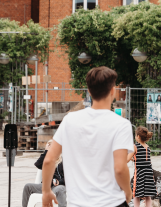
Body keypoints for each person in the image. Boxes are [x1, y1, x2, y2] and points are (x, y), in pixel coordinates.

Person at [42, 67, 134, 207]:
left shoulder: (69, 120)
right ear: (113, 91)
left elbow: (49, 160)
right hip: (111, 202)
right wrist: (127, 191)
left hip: (78, 203)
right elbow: (120, 168)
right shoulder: (121, 124)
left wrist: (46, 191)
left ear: (89, 91)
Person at [22, 139, 67, 207]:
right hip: (45, 186)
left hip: (57, 186)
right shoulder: (46, 160)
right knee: (27, 187)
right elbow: (38, 165)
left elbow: (68, 177)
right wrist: (46, 151)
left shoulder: (63, 161)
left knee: (61, 189)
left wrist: (59, 182)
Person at [127, 126, 157, 207]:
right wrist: (134, 159)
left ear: (138, 136)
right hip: (149, 173)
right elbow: (143, 160)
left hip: (140, 173)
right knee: (147, 194)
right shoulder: (147, 147)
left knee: (136, 194)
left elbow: (127, 159)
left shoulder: (135, 146)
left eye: (135, 135)